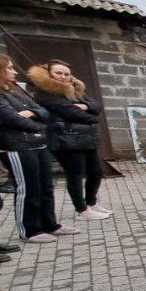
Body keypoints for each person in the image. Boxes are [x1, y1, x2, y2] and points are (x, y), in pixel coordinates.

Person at [0, 55, 75, 245]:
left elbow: (43, 111)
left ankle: (50, 224)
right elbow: (13, 119)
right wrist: (38, 124)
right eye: (9, 68)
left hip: (39, 144)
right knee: (27, 188)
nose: (14, 71)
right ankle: (29, 230)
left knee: (46, 187)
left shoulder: (16, 90)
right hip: (17, 146)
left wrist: (32, 114)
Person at [27, 59, 112, 221]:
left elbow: (96, 106)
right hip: (64, 139)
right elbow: (73, 113)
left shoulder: (74, 89)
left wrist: (86, 107)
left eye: (66, 74)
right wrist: (87, 113)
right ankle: (82, 209)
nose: (63, 77)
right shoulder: (45, 93)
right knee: (75, 174)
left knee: (96, 172)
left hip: (86, 139)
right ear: (49, 73)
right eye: (58, 73)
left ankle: (91, 203)